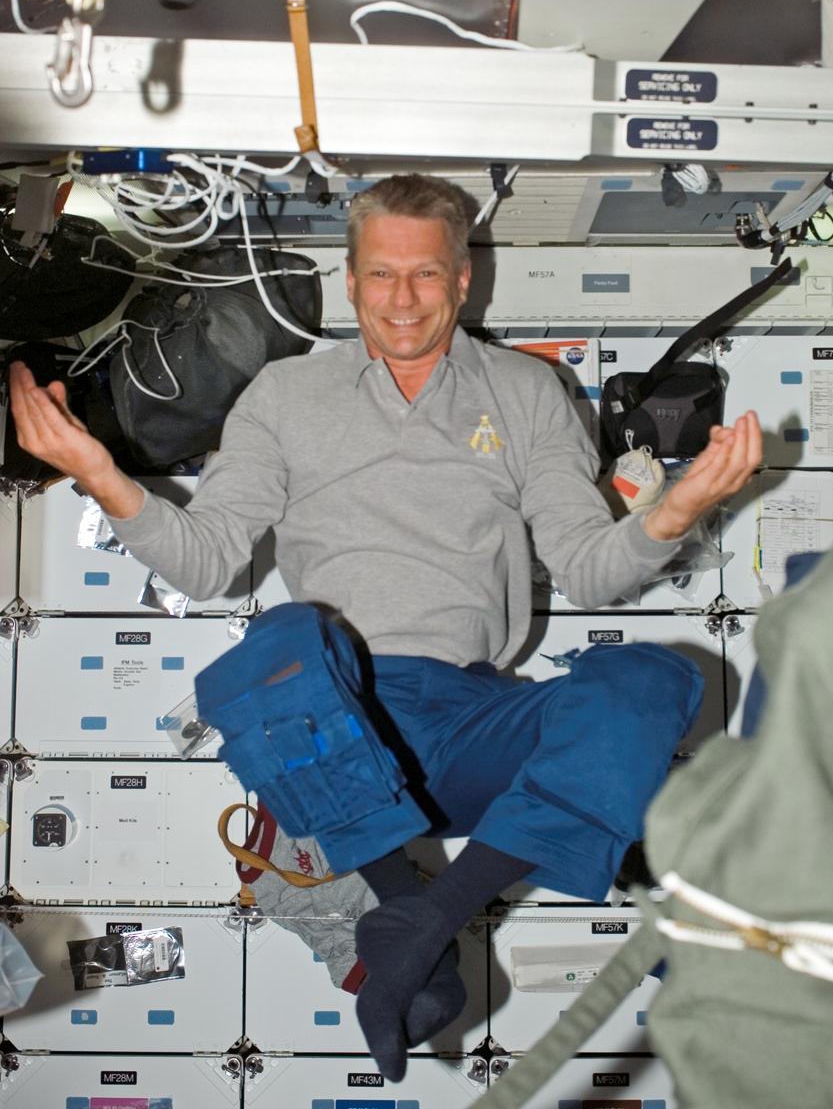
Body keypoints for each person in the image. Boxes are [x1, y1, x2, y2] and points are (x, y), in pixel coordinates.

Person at [9, 173, 762, 1081]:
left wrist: (673, 513)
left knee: (654, 680)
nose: (402, 301)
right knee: (285, 636)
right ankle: (401, 898)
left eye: (426, 277)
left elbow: (588, 571)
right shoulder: (284, 396)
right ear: (351, 277)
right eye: (380, 276)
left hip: (477, 722)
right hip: (333, 731)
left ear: (462, 281)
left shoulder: (527, 392)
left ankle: (422, 922)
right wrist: (98, 469)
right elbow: (209, 561)